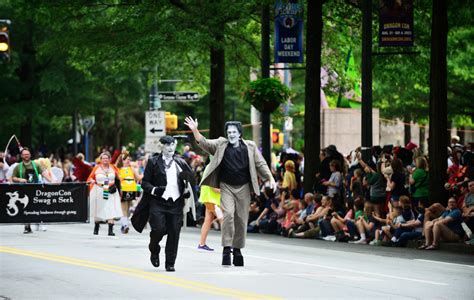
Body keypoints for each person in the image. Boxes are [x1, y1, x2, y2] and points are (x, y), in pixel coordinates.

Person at [184, 116, 275, 267]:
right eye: (229, 132)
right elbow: (205, 143)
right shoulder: (221, 144)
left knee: (241, 219)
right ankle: (227, 249)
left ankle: (237, 250)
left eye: (234, 132)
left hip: (244, 187)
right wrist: (195, 130)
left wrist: (270, 178)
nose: (231, 134)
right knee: (228, 215)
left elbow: (260, 164)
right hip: (225, 186)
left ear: (240, 133)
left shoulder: (250, 147)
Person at [131, 136, 194, 272]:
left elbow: (190, 179)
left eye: (172, 145)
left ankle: (170, 263)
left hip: (176, 203)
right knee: (158, 229)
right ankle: (154, 249)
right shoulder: (153, 162)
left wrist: (186, 191)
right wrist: (155, 190)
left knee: (174, 233)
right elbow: (145, 183)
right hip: (158, 202)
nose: (171, 148)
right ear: (162, 147)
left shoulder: (180, 162)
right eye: (167, 145)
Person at [87, 151, 122, 236]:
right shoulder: (96, 168)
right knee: (98, 209)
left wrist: (120, 185)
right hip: (99, 189)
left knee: (111, 209)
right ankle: (96, 227)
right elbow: (89, 178)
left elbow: (120, 178)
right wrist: (91, 181)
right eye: (103, 158)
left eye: (107, 158)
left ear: (109, 159)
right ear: (101, 159)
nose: (105, 160)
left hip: (111, 190)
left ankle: (110, 230)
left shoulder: (113, 168)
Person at [11, 147, 41, 234]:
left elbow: (44, 173)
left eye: (27, 154)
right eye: (24, 154)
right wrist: (20, 179)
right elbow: (13, 178)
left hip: (35, 190)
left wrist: (52, 181)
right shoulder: (17, 167)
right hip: (23, 191)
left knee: (36, 208)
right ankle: (27, 225)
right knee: (26, 208)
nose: (26, 156)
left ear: (30, 155)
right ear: (21, 156)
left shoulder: (36, 165)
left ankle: (38, 222)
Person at [116, 150, 141, 234]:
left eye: (129, 159)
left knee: (127, 208)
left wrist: (148, 173)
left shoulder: (132, 169)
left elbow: (138, 178)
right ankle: (125, 225)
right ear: (122, 160)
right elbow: (117, 181)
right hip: (123, 189)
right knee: (124, 208)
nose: (128, 161)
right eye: (126, 159)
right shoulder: (118, 169)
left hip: (131, 189)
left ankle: (124, 224)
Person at [198, 185, 223, 251]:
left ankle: (202, 244)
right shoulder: (212, 174)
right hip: (211, 198)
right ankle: (228, 244)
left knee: (208, 220)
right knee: (222, 219)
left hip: (210, 197)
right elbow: (213, 186)